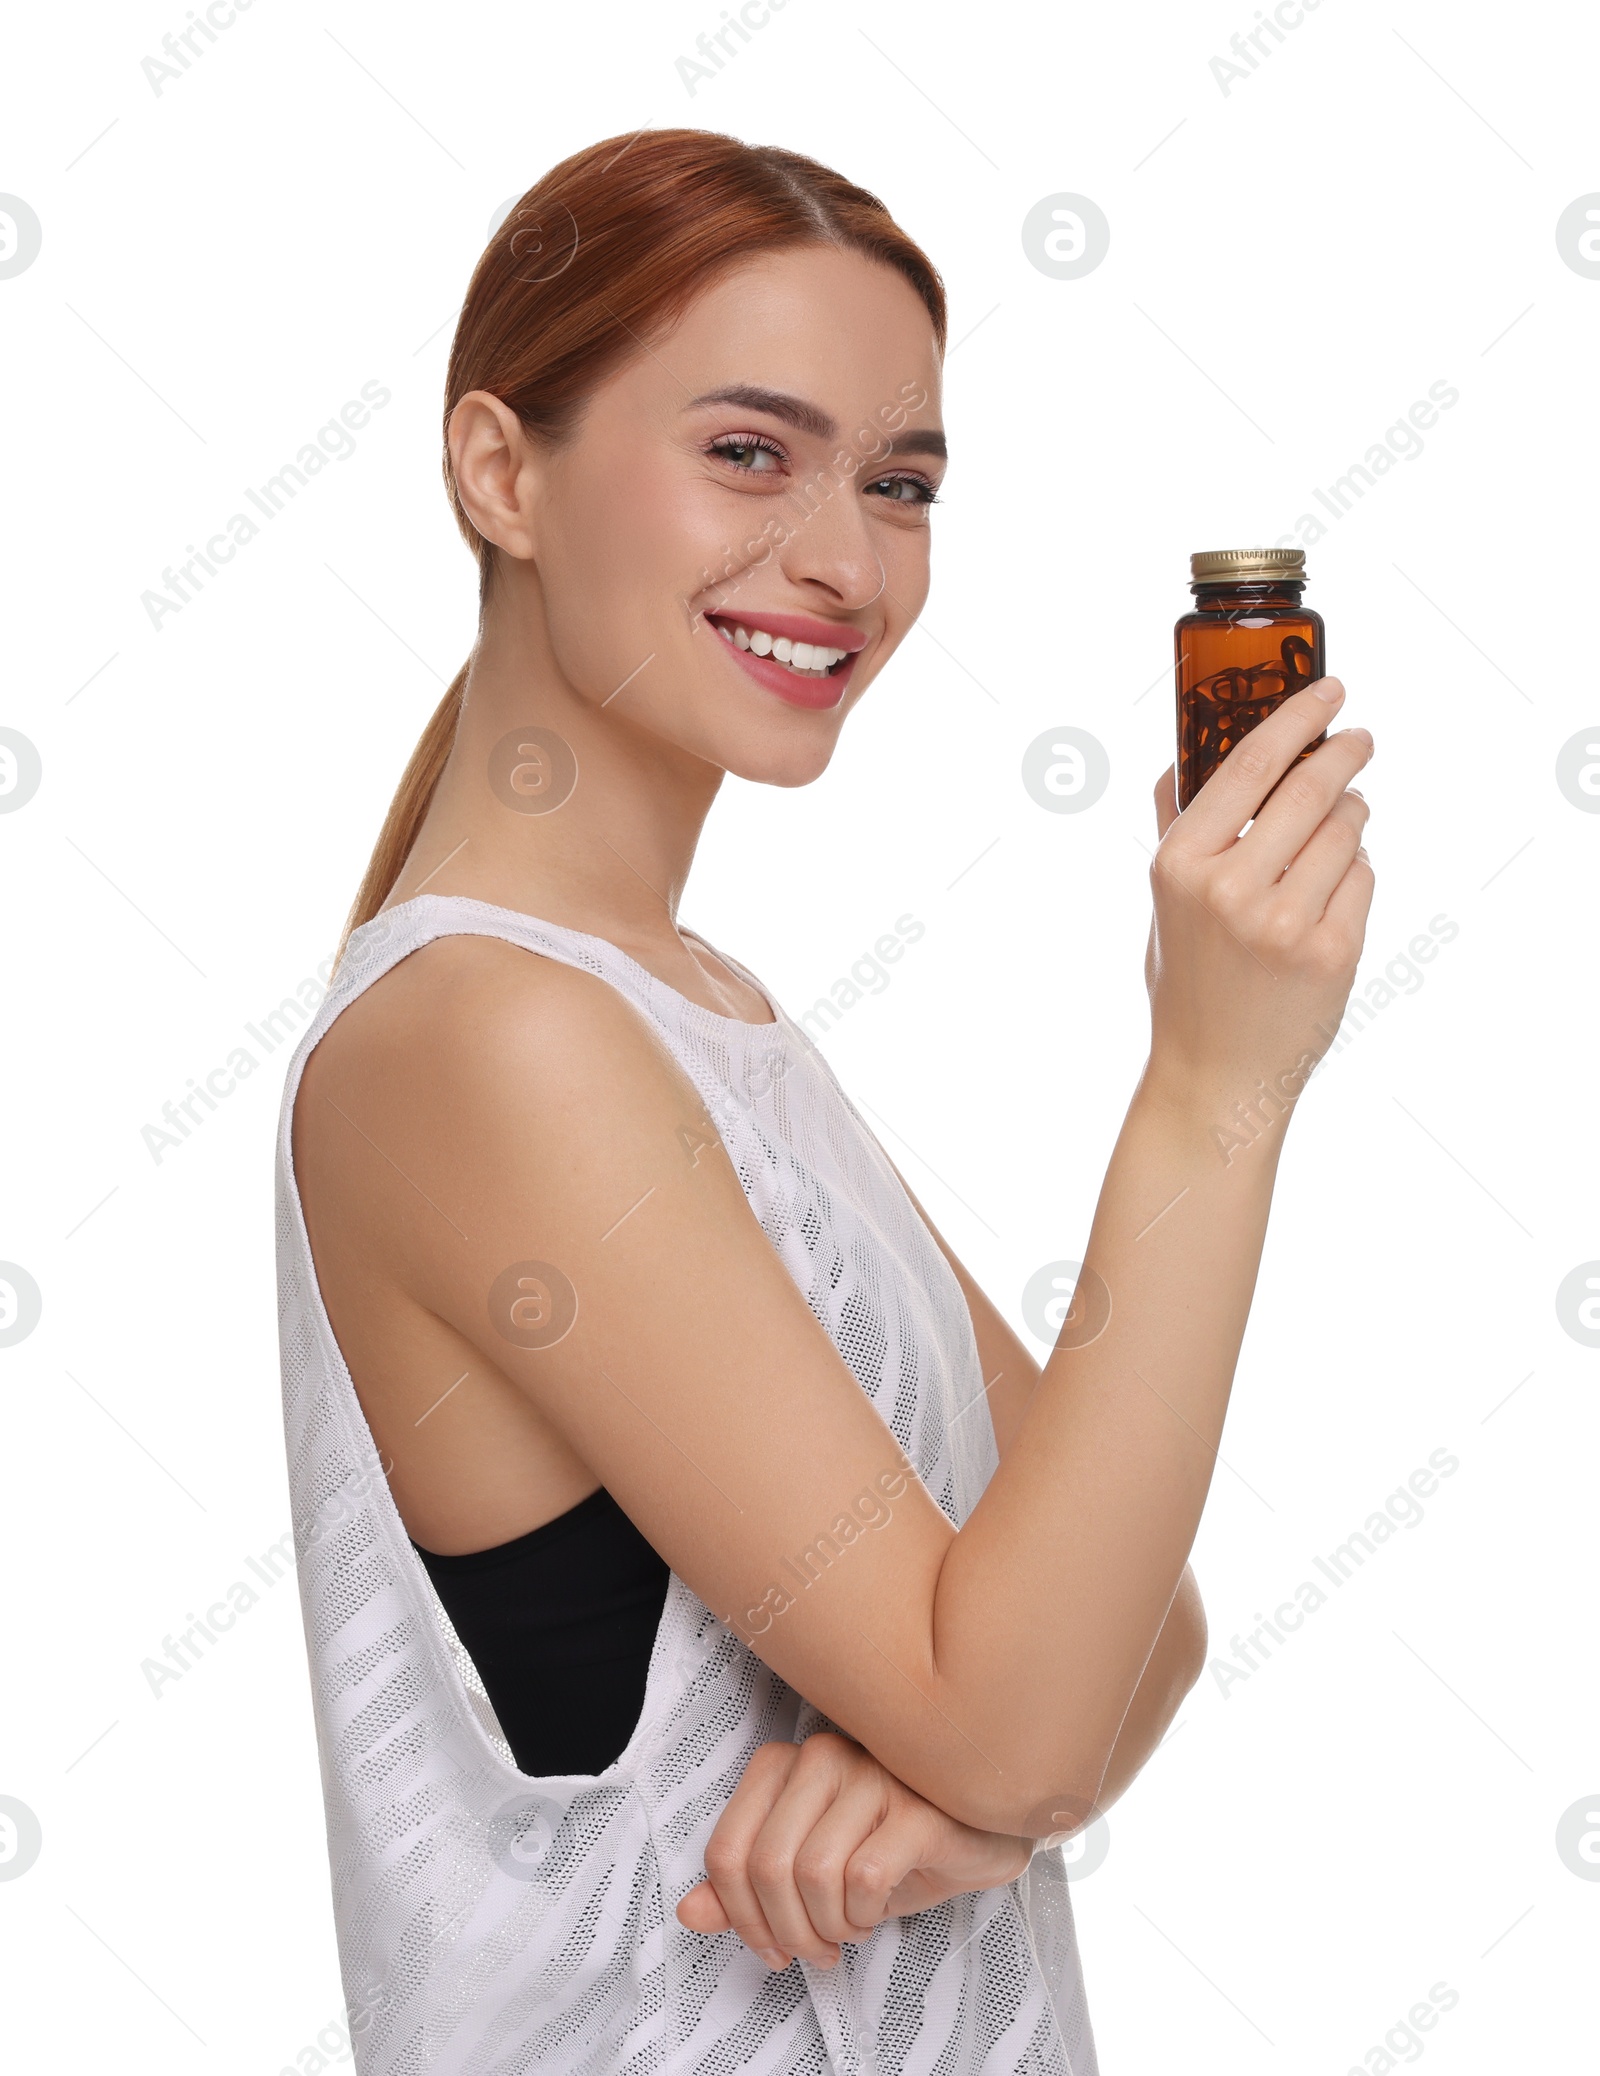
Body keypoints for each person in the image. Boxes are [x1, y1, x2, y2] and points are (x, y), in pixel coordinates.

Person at [275, 126, 1374, 2075]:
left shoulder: (708, 1019)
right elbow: (1031, 1701)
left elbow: (1142, 1626)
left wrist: (960, 1804)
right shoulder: (482, 1042)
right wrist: (1212, 1079)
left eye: (900, 482)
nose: (843, 560)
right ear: (498, 471)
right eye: (746, 453)